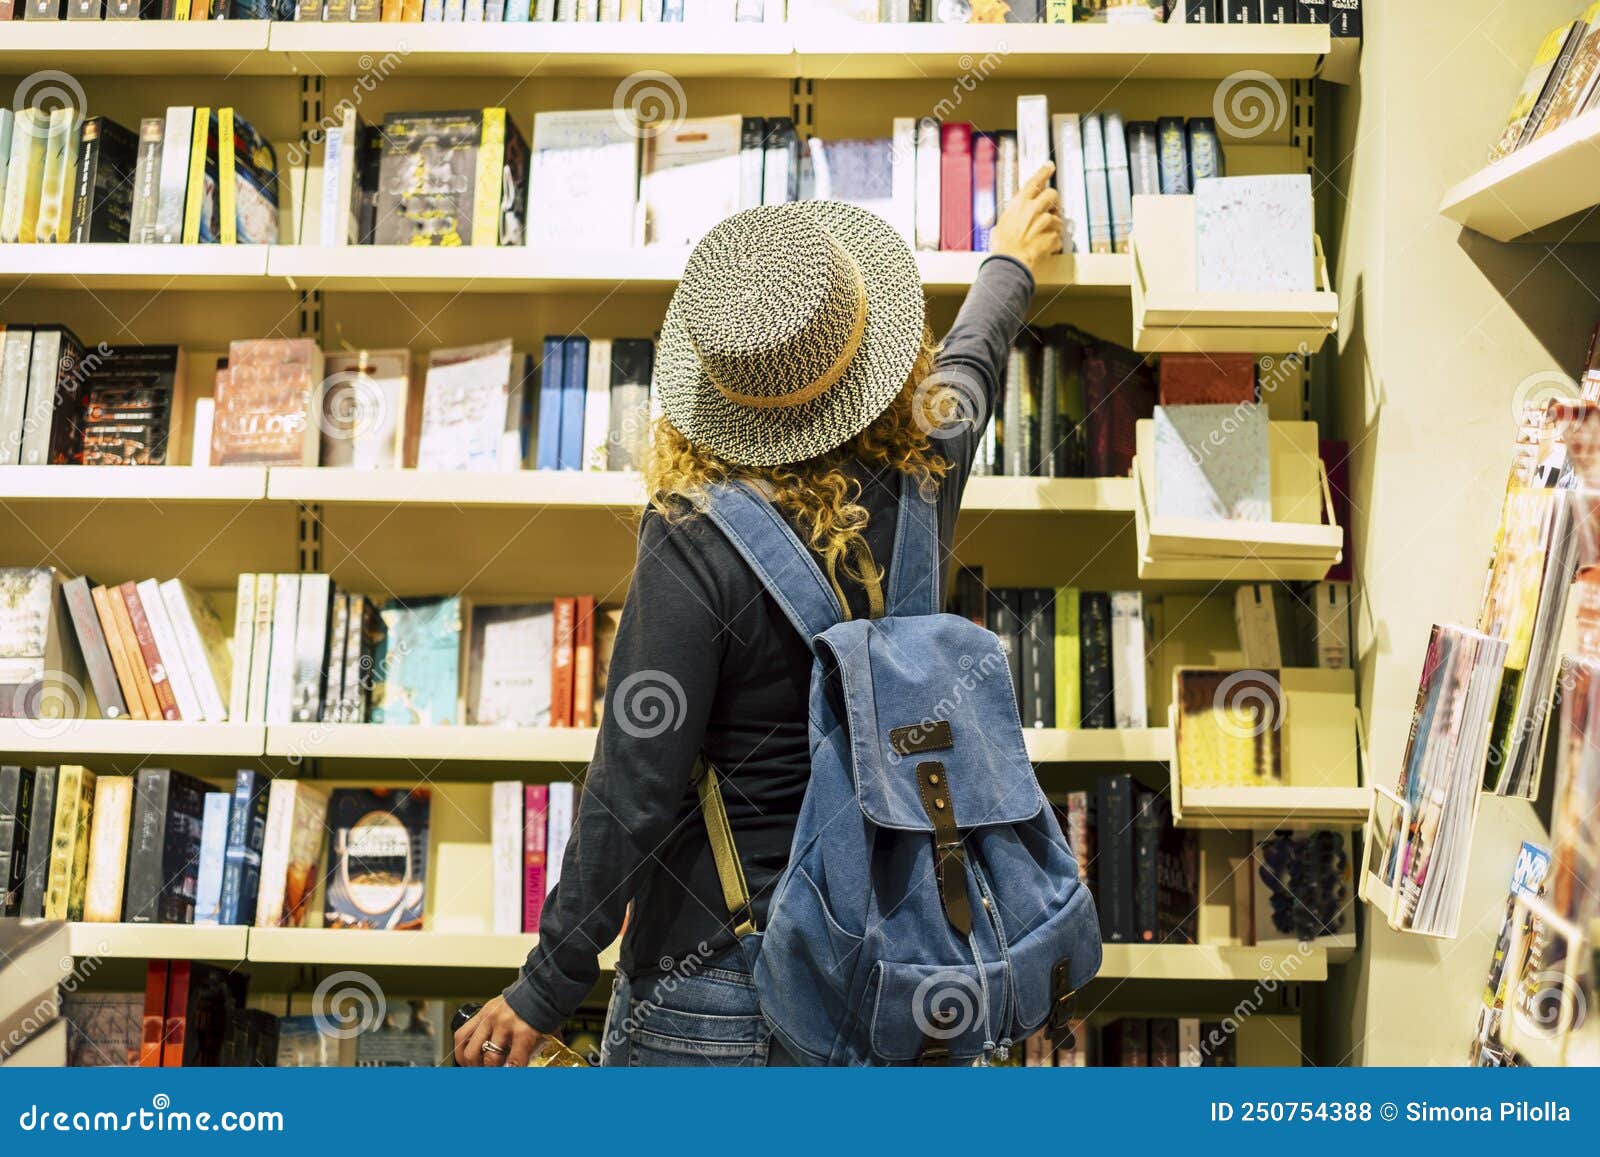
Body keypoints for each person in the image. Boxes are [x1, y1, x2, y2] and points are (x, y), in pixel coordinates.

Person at [455, 163, 1067, 1068]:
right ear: (879, 359)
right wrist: (1009, 260)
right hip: (907, 978)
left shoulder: (693, 539)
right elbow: (972, 359)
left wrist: (549, 981)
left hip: (722, 993)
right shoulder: (927, 467)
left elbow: (635, 787)